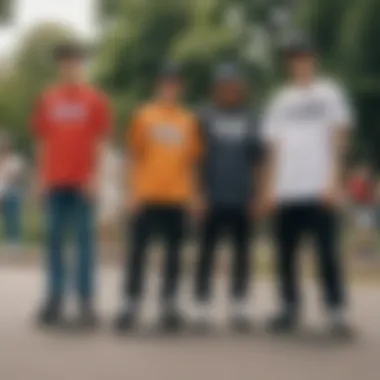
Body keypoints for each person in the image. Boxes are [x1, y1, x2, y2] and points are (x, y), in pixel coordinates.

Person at [262, 37, 353, 336]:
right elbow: (273, 147)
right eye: (295, 58)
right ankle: (289, 307)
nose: (300, 63)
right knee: (285, 253)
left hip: (319, 187)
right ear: (289, 64)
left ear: (314, 60)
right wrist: (269, 188)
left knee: (326, 251)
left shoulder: (329, 94)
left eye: (305, 57)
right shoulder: (280, 99)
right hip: (287, 189)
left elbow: (339, 138)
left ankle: (336, 310)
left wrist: (334, 180)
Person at [114, 63, 202, 332]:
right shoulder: (144, 116)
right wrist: (130, 193)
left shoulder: (188, 120)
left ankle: (169, 304)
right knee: (138, 252)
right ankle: (131, 303)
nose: (169, 88)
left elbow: (192, 162)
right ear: (158, 86)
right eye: (165, 83)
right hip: (146, 196)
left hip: (177, 197)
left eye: (174, 83)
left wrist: (195, 196)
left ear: (180, 88)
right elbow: (133, 156)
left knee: (174, 254)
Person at [32, 42, 112, 327]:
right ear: (60, 66)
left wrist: (95, 177)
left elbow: (99, 141)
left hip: (82, 183)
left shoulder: (94, 100)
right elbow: (42, 140)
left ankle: (85, 302)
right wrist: (40, 179)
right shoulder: (48, 99)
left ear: (82, 65)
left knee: (84, 243)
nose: (70, 67)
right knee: (53, 239)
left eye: (75, 61)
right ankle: (54, 298)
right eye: (65, 62)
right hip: (55, 181)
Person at [193, 63, 264, 330]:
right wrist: (197, 194)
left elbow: (258, 160)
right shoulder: (203, 117)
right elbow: (195, 160)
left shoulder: (250, 118)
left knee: (242, 253)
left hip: (242, 197)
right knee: (206, 253)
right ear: (215, 89)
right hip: (211, 197)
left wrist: (256, 195)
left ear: (240, 89)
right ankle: (201, 305)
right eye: (223, 86)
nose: (229, 91)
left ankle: (239, 305)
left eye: (233, 86)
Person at [0, 132, 25, 254]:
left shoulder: (15, 160)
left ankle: (14, 241)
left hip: (11, 192)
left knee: (12, 213)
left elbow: (17, 176)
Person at [347, 164, 376, 258]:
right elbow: (355, 196)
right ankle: (361, 251)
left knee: (367, 230)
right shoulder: (358, 183)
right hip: (361, 208)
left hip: (366, 208)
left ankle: (365, 250)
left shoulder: (367, 183)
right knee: (361, 230)